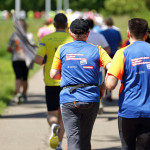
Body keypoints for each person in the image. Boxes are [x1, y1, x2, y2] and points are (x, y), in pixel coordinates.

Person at [50, 18, 111, 150]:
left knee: (73, 139)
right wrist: (103, 86)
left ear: (70, 33)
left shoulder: (62, 49)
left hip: (69, 98)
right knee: (85, 139)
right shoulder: (98, 50)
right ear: (87, 34)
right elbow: (111, 67)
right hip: (91, 98)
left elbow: (53, 74)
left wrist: (67, 74)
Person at [105, 18, 150, 150]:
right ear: (146, 34)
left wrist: (108, 76)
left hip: (128, 110)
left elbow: (111, 85)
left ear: (128, 33)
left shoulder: (122, 53)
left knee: (127, 147)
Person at [35, 13, 73, 150]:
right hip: (68, 82)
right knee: (63, 116)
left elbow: (38, 60)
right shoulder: (71, 39)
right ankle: (59, 144)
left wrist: (46, 59)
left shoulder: (46, 38)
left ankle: (53, 125)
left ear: (54, 25)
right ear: (67, 25)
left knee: (52, 113)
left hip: (51, 82)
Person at [86, 18, 111, 114]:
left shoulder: (81, 37)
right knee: (98, 84)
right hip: (97, 66)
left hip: (83, 65)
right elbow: (108, 49)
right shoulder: (99, 36)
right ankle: (99, 102)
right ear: (93, 25)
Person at [7, 19, 35, 103]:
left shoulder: (14, 35)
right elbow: (32, 48)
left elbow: (8, 48)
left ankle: (18, 93)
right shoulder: (29, 35)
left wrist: (13, 52)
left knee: (18, 77)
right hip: (26, 60)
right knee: (25, 78)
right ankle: (24, 94)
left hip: (16, 58)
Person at [101, 17, 122, 101]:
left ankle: (107, 93)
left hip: (106, 54)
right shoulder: (117, 32)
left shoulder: (103, 32)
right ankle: (114, 91)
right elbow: (120, 43)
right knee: (115, 74)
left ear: (105, 23)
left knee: (106, 73)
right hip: (115, 54)